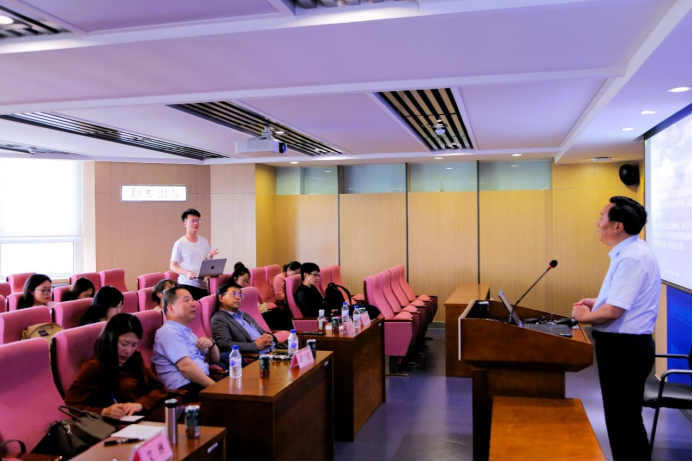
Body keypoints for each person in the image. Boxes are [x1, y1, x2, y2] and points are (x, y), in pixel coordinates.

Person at [572, 196, 660, 462]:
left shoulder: (632, 257)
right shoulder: (630, 251)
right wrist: (597, 302)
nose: (597, 223)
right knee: (622, 419)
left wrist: (585, 316)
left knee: (624, 421)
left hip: (625, 350)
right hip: (624, 347)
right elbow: (619, 301)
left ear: (618, 226)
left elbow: (613, 312)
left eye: (602, 217)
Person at [65, 313, 168, 421]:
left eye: (134, 345)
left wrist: (140, 404)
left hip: (143, 414)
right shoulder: (94, 367)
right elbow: (70, 406)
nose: (128, 351)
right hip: (120, 422)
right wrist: (103, 411)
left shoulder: (134, 359)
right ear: (110, 339)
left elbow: (159, 388)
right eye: (124, 344)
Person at [153, 287, 220, 402]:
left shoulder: (187, 332)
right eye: (186, 300)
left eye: (192, 300)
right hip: (186, 389)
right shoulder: (168, 332)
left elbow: (213, 359)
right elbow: (186, 368)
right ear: (171, 308)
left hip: (201, 382)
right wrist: (215, 388)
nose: (193, 304)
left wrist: (212, 344)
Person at [212, 282, 281, 368]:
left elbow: (262, 331)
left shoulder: (244, 314)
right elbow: (224, 345)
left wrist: (270, 336)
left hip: (274, 350)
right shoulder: (219, 318)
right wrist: (255, 346)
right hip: (259, 357)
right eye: (234, 294)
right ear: (221, 297)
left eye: (240, 295)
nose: (238, 297)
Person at [170, 209, 219, 301]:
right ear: (185, 224)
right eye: (192, 221)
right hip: (186, 284)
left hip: (203, 284)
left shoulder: (203, 241)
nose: (196, 223)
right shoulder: (180, 243)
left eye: (198, 220)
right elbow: (173, 266)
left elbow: (206, 261)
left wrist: (210, 256)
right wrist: (187, 273)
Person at [233, 262, 292, 331]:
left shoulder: (247, 290)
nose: (246, 284)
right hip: (250, 316)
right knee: (274, 317)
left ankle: (291, 333)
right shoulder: (233, 292)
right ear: (235, 279)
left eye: (247, 281)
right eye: (244, 281)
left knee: (278, 312)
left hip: (258, 311)